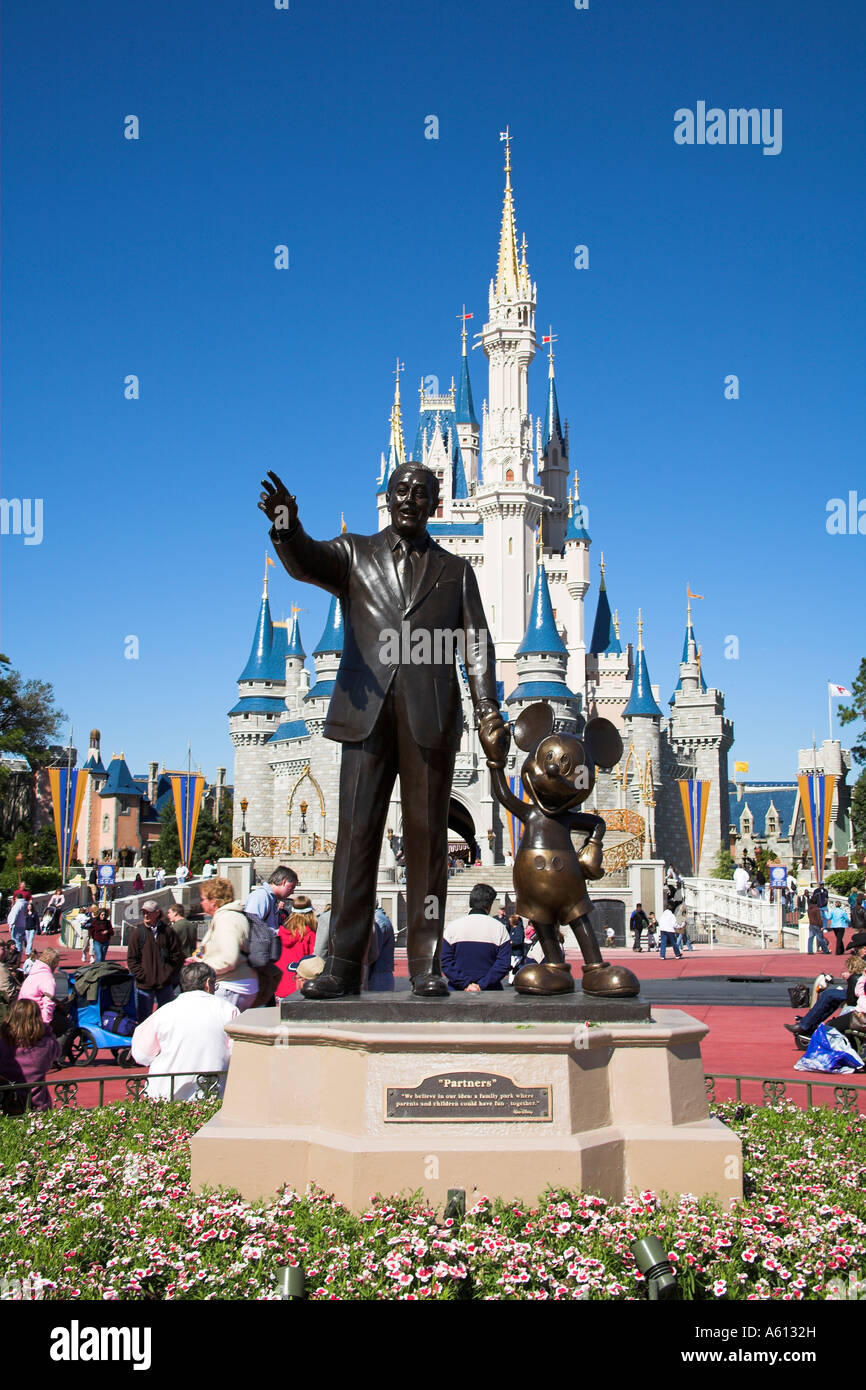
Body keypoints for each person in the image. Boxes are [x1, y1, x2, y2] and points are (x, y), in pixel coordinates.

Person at [261, 460, 506, 999]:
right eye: (401, 489)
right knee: (355, 840)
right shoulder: (355, 554)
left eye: (422, 491)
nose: (410, 498)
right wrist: (285, 525)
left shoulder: (457, 572)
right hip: (364, 711)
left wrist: (488, 709)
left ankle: (425, 964)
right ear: (389, 497)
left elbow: (478, 648)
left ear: (435, 503)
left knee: (428, 846)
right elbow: (306, 562)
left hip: (432, 720)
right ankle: (343, 963)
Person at [130, 960, 239, 1100]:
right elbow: (238, 1052)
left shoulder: (163, 1013)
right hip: (212, 1093)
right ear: (207, 983)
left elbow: (140, 1055)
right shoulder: (229, 1011)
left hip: (166, 1094)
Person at [785, 932, 866, 1038]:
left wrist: (851, 977)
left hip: (860, 996)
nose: (855, 952)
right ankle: (810, 1023)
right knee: (832, 998)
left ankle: (805, 1025)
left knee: (829, 995)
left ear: (864, 949)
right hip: (858, 993)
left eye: (857, 949)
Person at [197, 878, 259, 1012]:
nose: (201, 903)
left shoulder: (227, 919)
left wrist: (200, 967)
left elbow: (228, 959)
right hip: (234, 984)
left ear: (213, 901)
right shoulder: (226, 917)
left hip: (231, 986)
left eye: (203, 899)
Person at [441, 884, 510, 992]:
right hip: (491, 991)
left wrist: (466, 984)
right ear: (490, 905)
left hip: (457, 990)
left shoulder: (452, 927)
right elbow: (503, 964)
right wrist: (481, 985)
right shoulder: (500, 928)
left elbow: (445, 962)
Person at [127, 899, 185, 1020]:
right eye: (144, 912)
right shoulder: (138, 933)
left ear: (157, 913)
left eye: (149, 912)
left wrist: (167, 974)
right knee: (144, 1019)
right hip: (144, 985)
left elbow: (177, 955)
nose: (146, 915)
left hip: (164, 984)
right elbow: (132, 959)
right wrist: (143, 976)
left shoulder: (168, 932)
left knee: (166, 1017)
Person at [0, 999, 61, 1112]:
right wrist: (46, 1028)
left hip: (8, 1104)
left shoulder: (3, 1043)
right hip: (37, 1105)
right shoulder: (45, 1046)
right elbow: (57, 1052)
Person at [275, 896, 318, 999]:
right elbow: (314, 960)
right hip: (299, 986)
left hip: (280, 985)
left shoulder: (281, 932)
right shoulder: (309, 934)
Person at [18, 947, 61, 1026]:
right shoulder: (47, 978)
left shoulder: (34, 972)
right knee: (68, 1026)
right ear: (54, 964)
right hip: (34, 1016)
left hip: (21, 1012)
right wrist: (45, 1025)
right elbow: (49, 1003)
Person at [368, 902, 395, 992]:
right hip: (382, 973)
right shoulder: (380, 918)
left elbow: (373, 952)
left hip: (377, 975)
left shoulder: (377, 920)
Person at [806, 890, 830, 955]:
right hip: (816, 925)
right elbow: (819, 918)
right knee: (820, 938)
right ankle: (825, 950)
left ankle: (810, 951)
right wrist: (821, 926)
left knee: (810, 938)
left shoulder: (809, 909)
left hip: (811, 924)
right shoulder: (816, 909)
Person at [7, 893, 29, 958]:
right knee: (20, 941)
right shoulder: (24, 904)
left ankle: (17, 957)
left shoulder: (18, 904)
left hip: (17, 925)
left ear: (16, 898)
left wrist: (11, 924)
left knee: (16, 942)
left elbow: (15, 915)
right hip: (22, 925)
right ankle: (18, 956)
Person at [508, 914, 526, 982]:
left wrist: (513, 942)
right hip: (513, 951)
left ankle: (513, 980)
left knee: (515, 966)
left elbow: (519, 940)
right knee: (513, 965)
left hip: (517, 951)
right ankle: (512, 980)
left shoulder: (519, 929)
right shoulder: (512, 929)